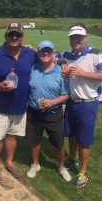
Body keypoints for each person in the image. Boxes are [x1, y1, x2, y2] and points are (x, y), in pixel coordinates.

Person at [61, 23, 102, 188]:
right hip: (71, 102)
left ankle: (83, 172)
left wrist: (84, 73)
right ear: (70, 39)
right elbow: (53, 56)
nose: (76, 40)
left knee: (84, 139)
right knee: (71, 134)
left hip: (88, 104)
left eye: (79, 37)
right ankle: (71, 159)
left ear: (85, 38)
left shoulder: (95, 54)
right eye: (73, 37)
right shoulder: (67, 54)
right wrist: (62, 63)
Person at [0, 23, 37, 182]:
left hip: (20, 107)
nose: (14, 37)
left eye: (17, 35)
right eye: (11, 34)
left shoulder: (30, 53)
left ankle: (9, 162)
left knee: (12, 136)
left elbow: (48, 58)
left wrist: (62, 63)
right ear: (5, 36)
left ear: (22, 37)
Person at [26, 40, 71, 182]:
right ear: (38, 53)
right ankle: (35, 164)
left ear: (53, 54)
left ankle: (61, 166)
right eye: (42, 51)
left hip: (54, 113)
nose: (45, 53)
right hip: (34, 112)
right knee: (34, 141)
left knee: (58, 143)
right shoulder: (33, 68)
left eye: (49, 51)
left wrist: (52, 102)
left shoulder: (61, 72)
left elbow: (66, 94)